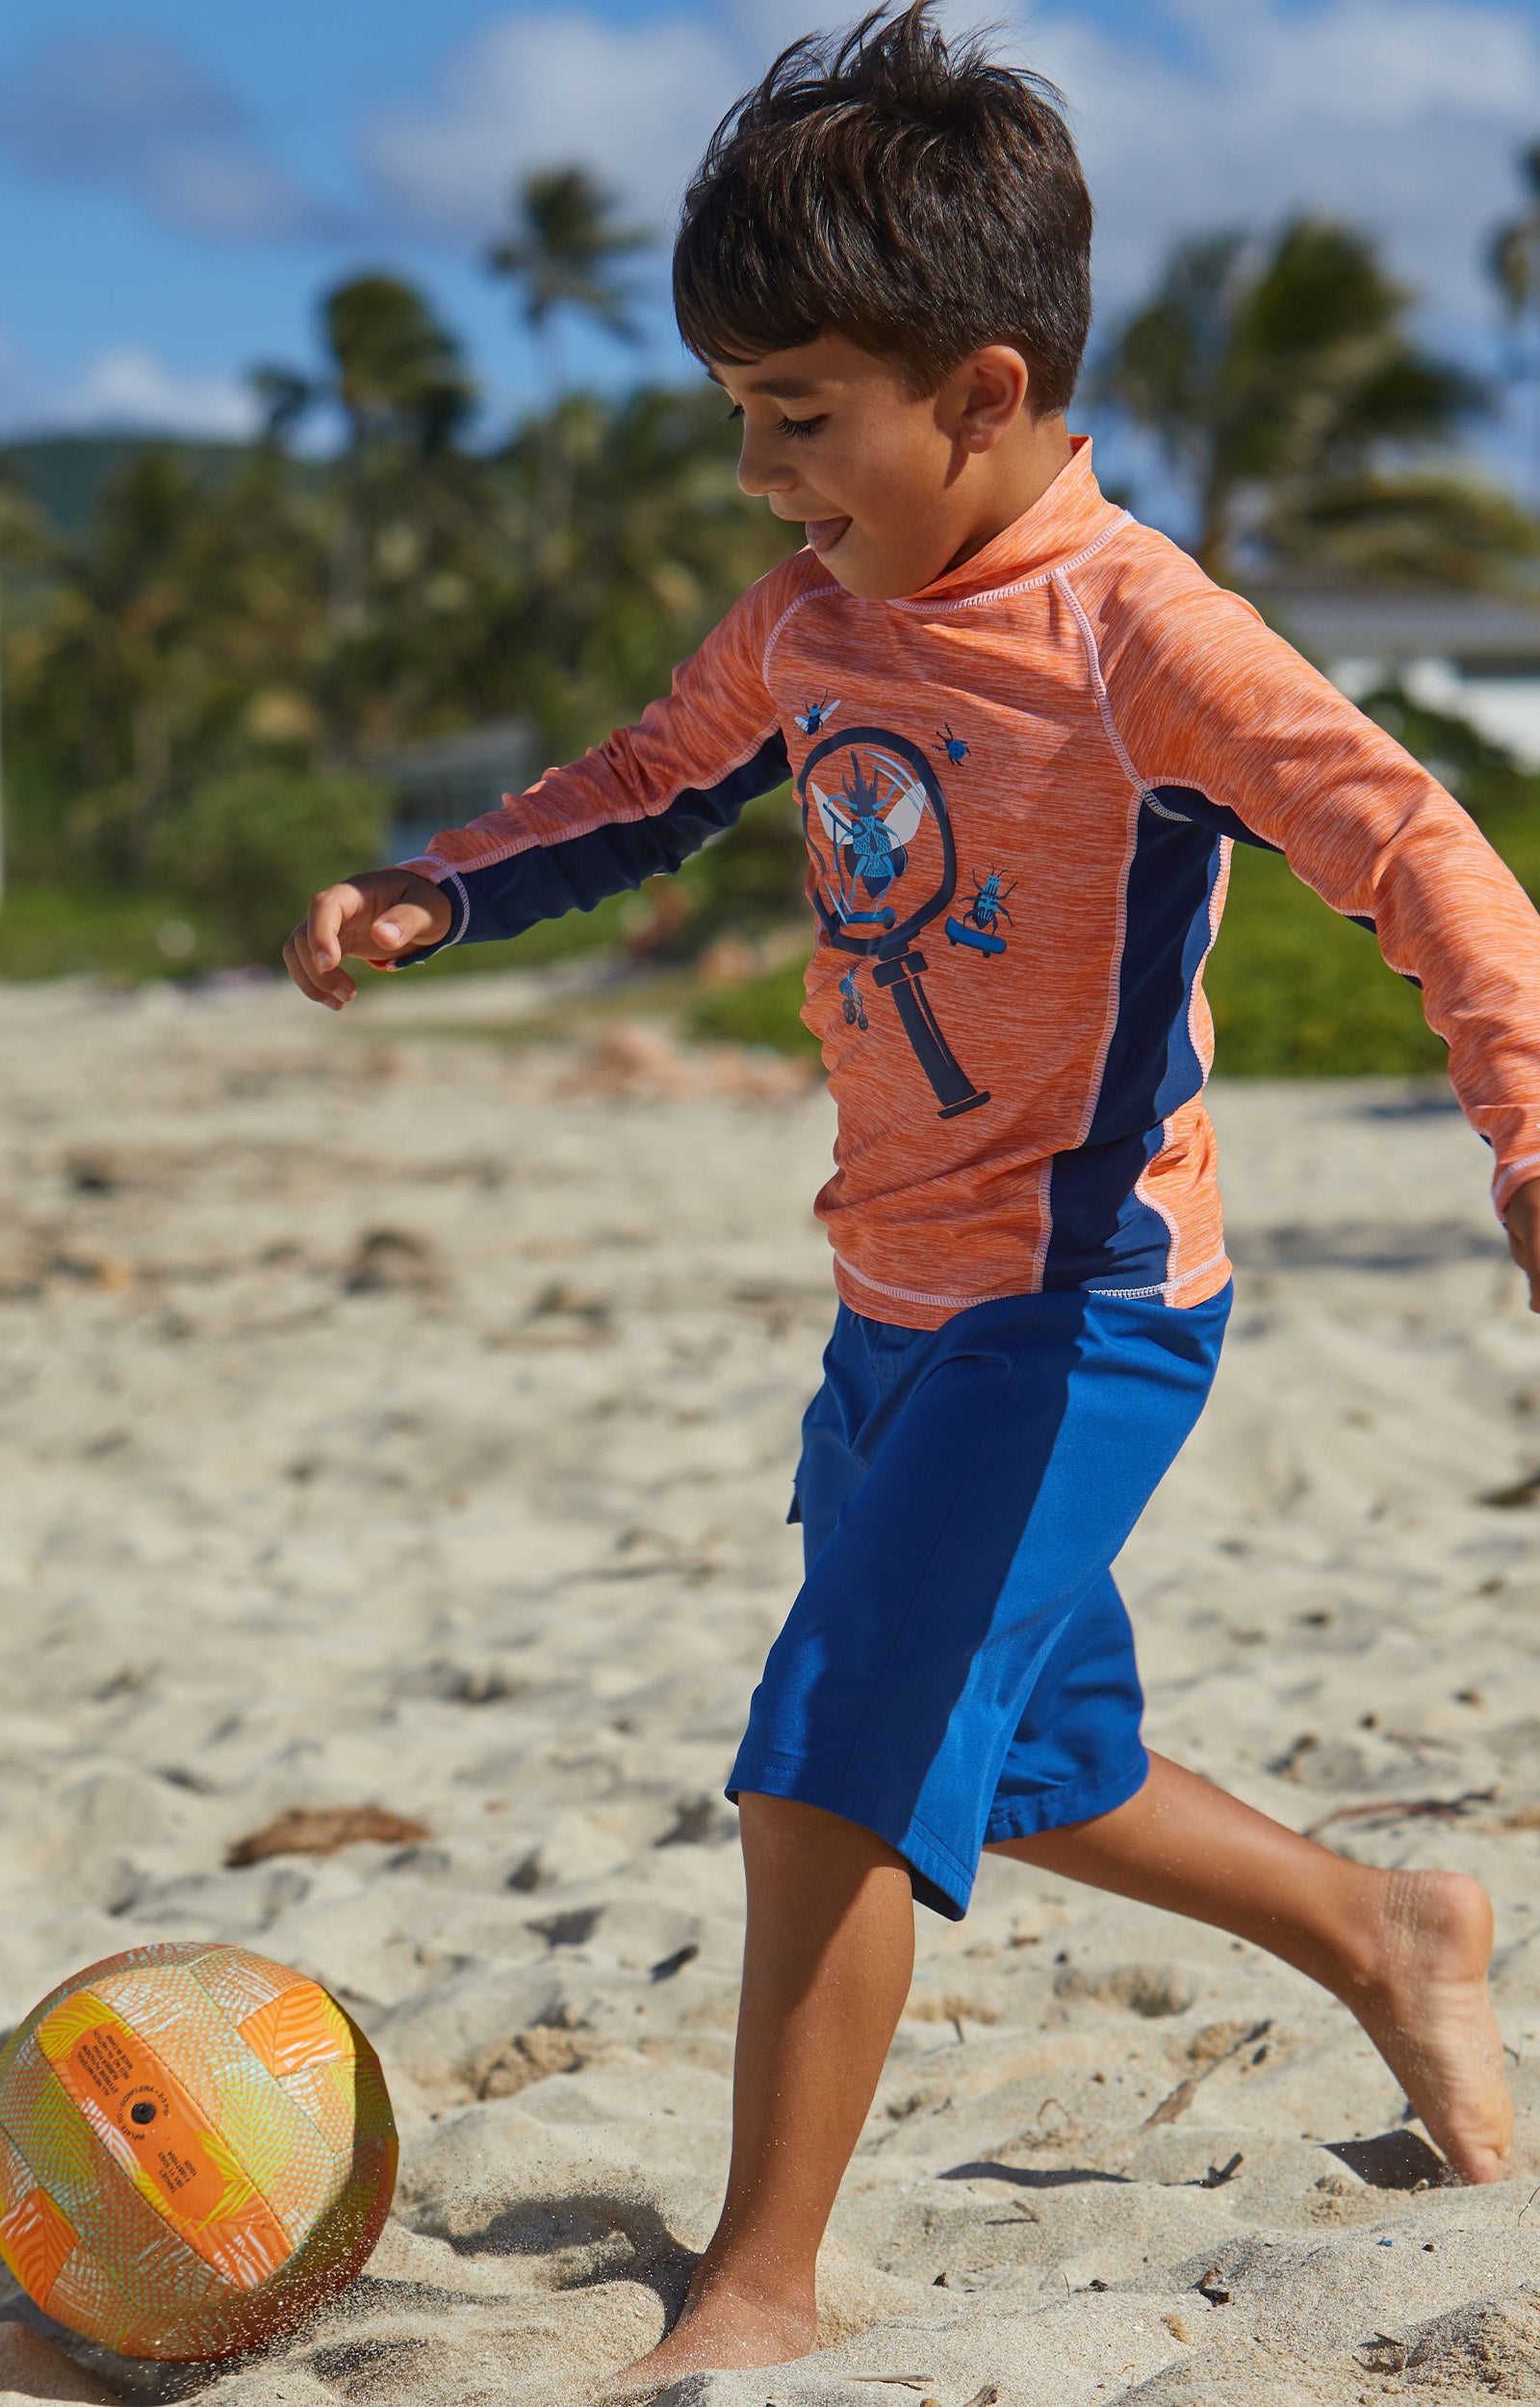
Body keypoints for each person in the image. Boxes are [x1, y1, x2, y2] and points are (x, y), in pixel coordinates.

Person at [284, 4, 1540, 2384]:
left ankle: (756, 2282)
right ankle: (1389, 1927)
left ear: (980, 386)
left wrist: (1524, 1119)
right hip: (889, 1293)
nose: (760, 473)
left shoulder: (1135, 635)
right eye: (738, 417)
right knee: (1036, 1763)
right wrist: (432, 888)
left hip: (1073, 1309)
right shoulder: (818, 620)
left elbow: (1412, 843)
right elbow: (643, 785)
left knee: (843, 1733)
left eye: (797, 416)